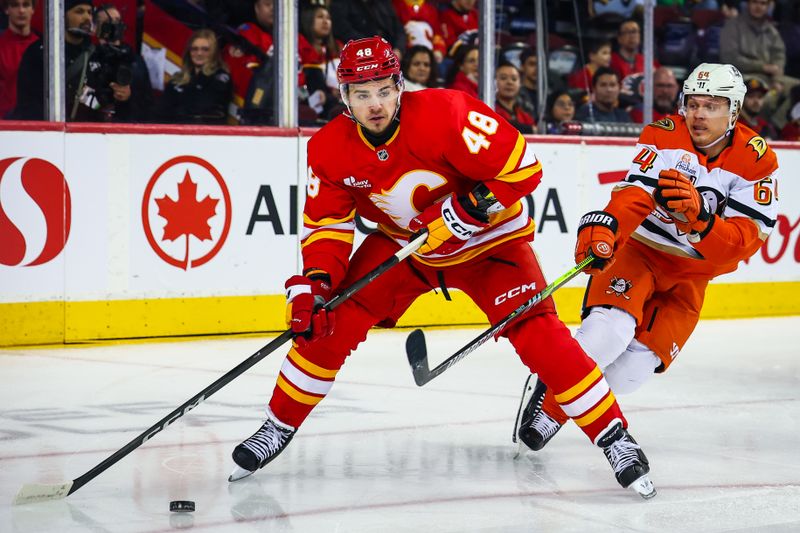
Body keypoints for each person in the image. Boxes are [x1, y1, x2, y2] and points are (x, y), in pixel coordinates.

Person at [228, 36, 656, 499]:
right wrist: (315, 285)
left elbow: (524, 170)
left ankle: (616, 438)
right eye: (361, 93)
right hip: (406, 249)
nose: (375, 104)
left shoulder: (448, 113)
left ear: (399, 84)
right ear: (344, 98)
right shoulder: (330, 149)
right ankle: (277, 426)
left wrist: (466, 210)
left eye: (383, 90)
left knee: (543, 337)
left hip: (491, 245)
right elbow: (327, 229)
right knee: (328, 321)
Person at [516, 63, 780, 457]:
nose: (699, 114)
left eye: (711, 105)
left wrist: (702, 222)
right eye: (693, 103)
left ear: (735, 110)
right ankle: (552, 403)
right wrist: (609, 226)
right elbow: (634, 196)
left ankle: (561, 376)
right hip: (639, 252)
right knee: (608, 334)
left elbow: (743, 244)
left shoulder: (757, 161)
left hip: (692, 276)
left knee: (627, 376)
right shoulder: (665, 134)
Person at [720, 0, 799, 129]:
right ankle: (762, 130)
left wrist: (777, 80)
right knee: (764, 97)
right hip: (742, 76)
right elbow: (730, 58)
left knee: (797, 88)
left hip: (770, 76)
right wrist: (762, 67)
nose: (759, 7)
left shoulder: (770, 30)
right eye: (755, 2)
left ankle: (778, 126)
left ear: (768, 6)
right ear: (748, 4)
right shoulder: (733, 26)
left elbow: (779, 56)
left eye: (763, 4)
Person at [11, 0, 93, 120]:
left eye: (89, 12)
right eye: (79, 11)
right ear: (63, 15)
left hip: (90, 134)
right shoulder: (40, 53)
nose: (87, 17)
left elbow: (99, 106)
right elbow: (28, 103)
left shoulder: (97, 54)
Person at [87, 4, 154, 122]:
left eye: (117, 20)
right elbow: (78, 96)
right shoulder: (88, 57)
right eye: (108, 21)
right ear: (95, 28)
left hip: (129, 127)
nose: (114, 25)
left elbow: (147, 101)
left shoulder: (135, 60)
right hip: (93, 126)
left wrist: (128, 98)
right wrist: (100, 105)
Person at [155, 29, 232, 124]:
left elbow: (202, 107)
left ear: (214, 53)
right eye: (194, 49)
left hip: (205, 134)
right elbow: (161, 110)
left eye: (205, 49)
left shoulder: (221, 78)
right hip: (173, 132)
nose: (199, 53)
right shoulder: (178, 77)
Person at [299, 1, 344, 121]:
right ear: (308, 20)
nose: (325, 22)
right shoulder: (301, 47)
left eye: (328, 18)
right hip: (317, 106)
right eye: (320, 17)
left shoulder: (338, 47)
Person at [0, 0, 37, 119]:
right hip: (4, 124)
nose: (21, 11)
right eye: (15, 5)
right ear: (6, 9)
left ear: (33, 9)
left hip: (38, 121)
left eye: (26, 5)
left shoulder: (44, 47)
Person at [494, 62, 535, 134]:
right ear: (494, 82)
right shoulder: (490, 110)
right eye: (503, 78)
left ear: (520, 84)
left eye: (514, 79)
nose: (509, 82)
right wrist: (530, 130)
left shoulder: (525, 116)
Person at [517, 46, 537, 119]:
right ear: (522, 67)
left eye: (539, 65)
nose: (537, 69)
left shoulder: (548, 94)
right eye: (532, 64)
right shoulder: (515, 93)